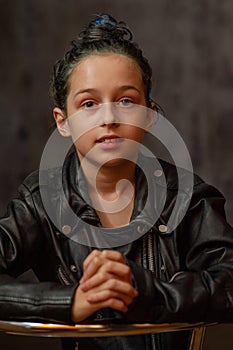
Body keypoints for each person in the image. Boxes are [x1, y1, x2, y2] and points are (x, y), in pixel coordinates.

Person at [0, 13, 233, 350]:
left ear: (149, 116)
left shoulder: (187, 198)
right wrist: (71, 301)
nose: (109, 118)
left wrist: (146, 293)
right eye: (89, 104)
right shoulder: (40, 202)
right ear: (62, 122)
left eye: (126, 101)